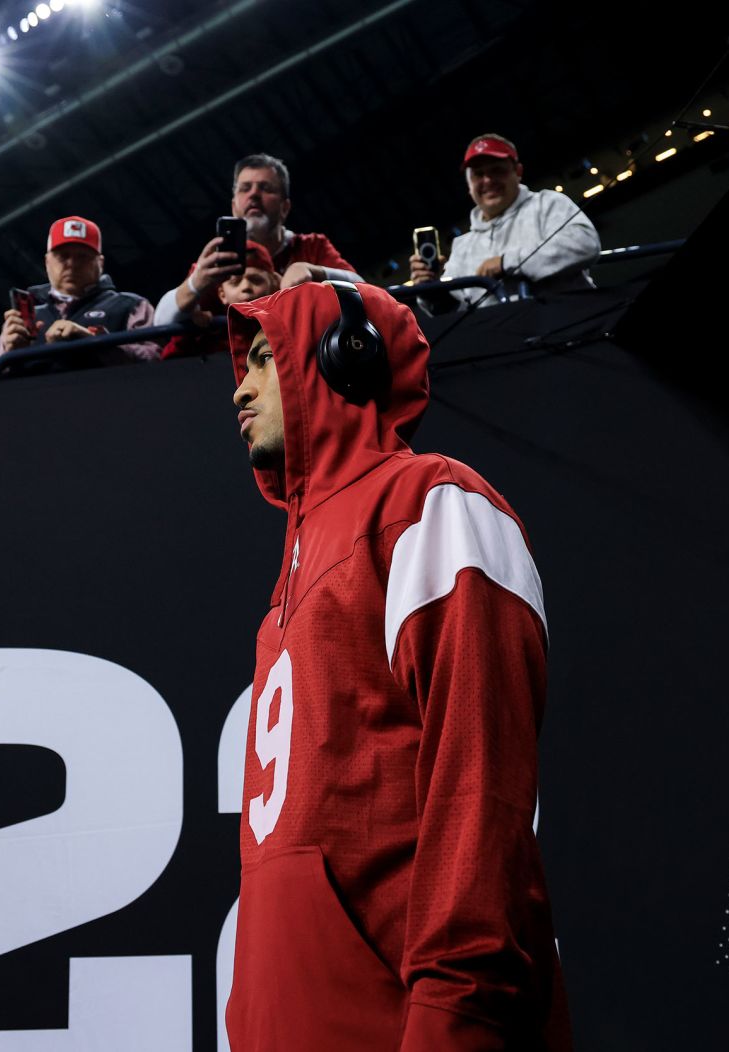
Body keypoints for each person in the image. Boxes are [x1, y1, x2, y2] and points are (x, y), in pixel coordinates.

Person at [224, 280, 571, 1049]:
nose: (240, 390)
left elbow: (480, 789)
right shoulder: (283, 590)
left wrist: (460, 1013)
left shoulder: (432, 503)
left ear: (342, 357)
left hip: (412, 1024)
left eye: (260, 360)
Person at [153, 153, 362, 327]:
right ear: (234, 207)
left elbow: (364, 289)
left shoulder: (310, 246)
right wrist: (194, 283)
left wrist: (314, 271)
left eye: (266, 188)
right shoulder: (220, 258)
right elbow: (160, 323)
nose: (253, 195)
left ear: (285, 207)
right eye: (245, 189)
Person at [411, 134, 600, 311]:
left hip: (572, 322)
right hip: (503, 340)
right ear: (469, 184)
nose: (488, 180)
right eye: (478, 174)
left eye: (497, 170)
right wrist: (432, 292)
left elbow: (585, 244)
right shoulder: (462, 246)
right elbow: (459, 311)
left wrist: (505, 262)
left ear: (518, 172)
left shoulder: (547, 204)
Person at [0, 216, 158, 382]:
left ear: (100, 263)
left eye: (82, 256)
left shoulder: (132, 305)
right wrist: (8, 354)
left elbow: (159, 362)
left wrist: (96, 344)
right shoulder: (23, 318)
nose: (72, 264)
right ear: (47, 262)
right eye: (62, 256)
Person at [160, 240, 279, 360]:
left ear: (273, 285)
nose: (246, 287)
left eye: (256, 280)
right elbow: (169, 364)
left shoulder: (286, 329)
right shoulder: (209, 338)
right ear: (222, 294)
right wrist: (188, 334)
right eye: (235, 282)